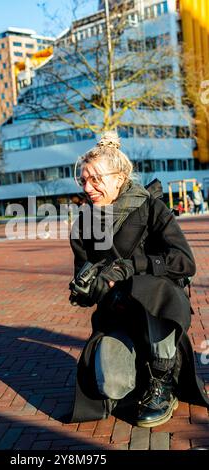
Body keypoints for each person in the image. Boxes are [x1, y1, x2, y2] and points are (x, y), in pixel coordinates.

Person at [68, 131, 209, 427]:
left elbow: (185, 263)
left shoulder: (151, 208)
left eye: (95, 179)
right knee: (113, 386)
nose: (88, 187)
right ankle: (137, 370)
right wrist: (84, 288)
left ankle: (163, 380)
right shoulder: (84, 223)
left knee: (149, 287)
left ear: (119, 178)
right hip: (117, 315)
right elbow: (88, 292)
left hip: (159, 312)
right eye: (83, 180)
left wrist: (130, 267)